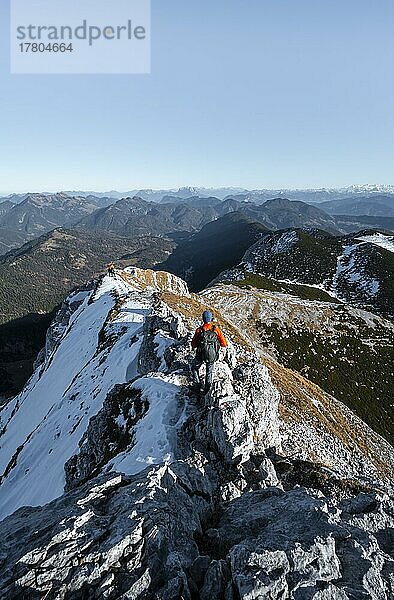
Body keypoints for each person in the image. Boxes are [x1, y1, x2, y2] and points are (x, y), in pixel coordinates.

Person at [191, 310, 227, 394]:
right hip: (212, 355)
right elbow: (224, 344)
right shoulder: (216, 329)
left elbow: (193, 344)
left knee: (194, 368)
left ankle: (197, 385)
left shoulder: (199, 330)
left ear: (203, 319)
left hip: (200, 354)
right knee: (209, 371)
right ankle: (208, 389)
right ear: (211, 318)